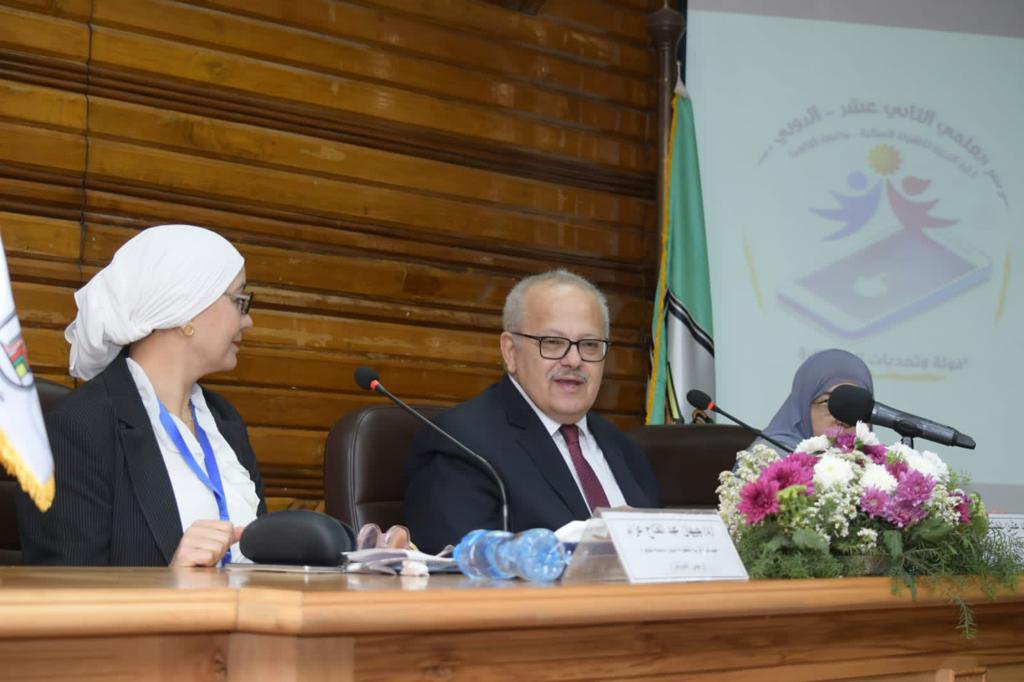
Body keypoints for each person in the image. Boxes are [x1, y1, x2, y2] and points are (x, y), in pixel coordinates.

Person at [17, 224, 266, 566]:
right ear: (186, 310)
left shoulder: (225, 421)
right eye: (239, 300)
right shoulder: (76, 429)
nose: (248, 320)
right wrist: (171, 581)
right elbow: (64, 589)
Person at [404, 269, 661, 554]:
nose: (574, 359)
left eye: (589, 345)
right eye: (552, 342)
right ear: (510, 352)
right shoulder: (460, 445)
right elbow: (460, 566)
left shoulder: (625, 450)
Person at [756, 348, 874, 452]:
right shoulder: (771, 456)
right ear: (803, 408)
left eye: (855, 405)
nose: (842, 420)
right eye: (827, 402)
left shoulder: (876, 463)